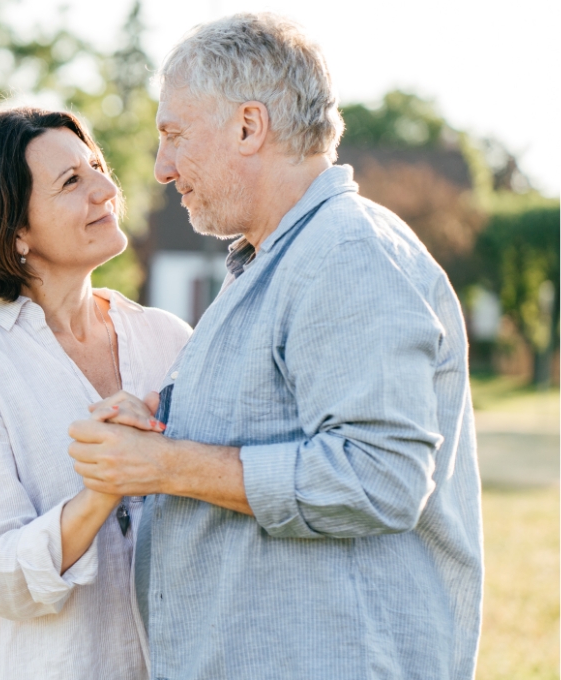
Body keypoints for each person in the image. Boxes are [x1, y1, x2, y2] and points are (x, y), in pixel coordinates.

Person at [68, 13, 483, 680]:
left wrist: (165, 465)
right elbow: (281, 425)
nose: (162, 168)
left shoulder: (344, 254)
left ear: (248, 127)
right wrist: (163, 422)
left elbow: (379, 477)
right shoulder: (277, 260)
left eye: (174, 135)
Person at [0, 107, 191, 679]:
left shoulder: (168, 338)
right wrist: (103, 487)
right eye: (71, 181)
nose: (107, 190)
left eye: (98, 167)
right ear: (14, 230)